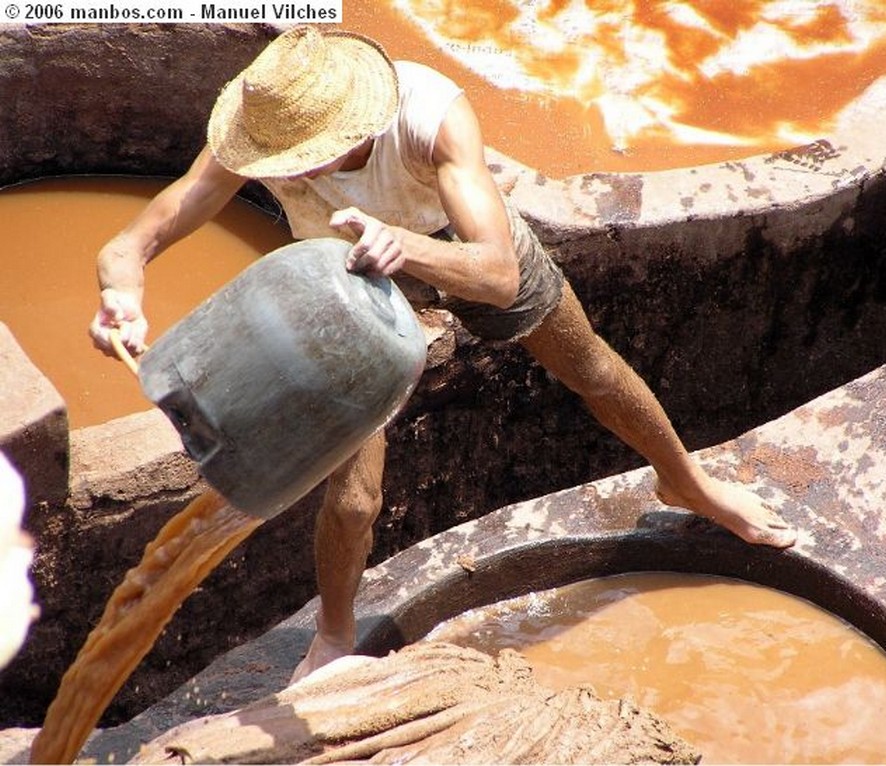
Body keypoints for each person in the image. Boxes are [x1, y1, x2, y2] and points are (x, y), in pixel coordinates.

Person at [89, 25, 796, 683]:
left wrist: (410, 247)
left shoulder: (429, 114)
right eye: (282, 163)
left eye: (306, 160)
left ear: (353, 129)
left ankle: (687, 485)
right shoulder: (258, 131)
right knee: (355, 496)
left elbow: (497, 273)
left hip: (452, 243)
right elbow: (135, 239)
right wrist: (122, 290)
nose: (289, 172)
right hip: (346, 280)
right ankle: (336, 633)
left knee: (594, 371)